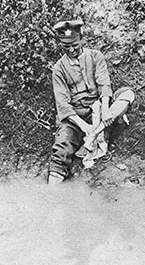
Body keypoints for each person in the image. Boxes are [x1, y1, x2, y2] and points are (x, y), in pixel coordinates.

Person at [48, 19, 135, 184]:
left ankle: (96, 133)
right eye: (67, 47)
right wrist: (84, 126)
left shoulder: (95, 56)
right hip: (76, 116)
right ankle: (52, 194)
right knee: (62, 147)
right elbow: (63, 105)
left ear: (81, 38)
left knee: (127, 93)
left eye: (75, 44)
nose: (72, 49)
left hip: (98, 107)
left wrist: (105, 109)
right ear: (61, 45)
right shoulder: (58, 69)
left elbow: (104, 84)